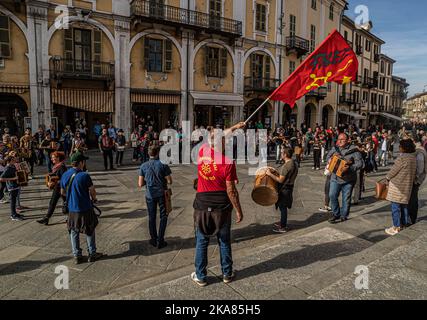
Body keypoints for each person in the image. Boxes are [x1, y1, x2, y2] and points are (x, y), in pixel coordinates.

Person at [191, 122, 245, 287]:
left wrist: (235, 127)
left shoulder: (202, 151)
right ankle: (227, 273)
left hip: (202, 205)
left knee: (202, 241)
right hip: (221, 207)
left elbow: (216, 137)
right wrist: (238, 210)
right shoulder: (227, 162)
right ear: (223, 142)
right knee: (223, 241)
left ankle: (200, 276)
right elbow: (231, 191)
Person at [60, 152, 103, 264]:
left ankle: (77, 255)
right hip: (85, 207)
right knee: (89, 229)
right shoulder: (84, 175)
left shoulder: (65, 174)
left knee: (73, 231)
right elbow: (92, 191)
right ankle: (92, 253)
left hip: (72, 209)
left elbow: (62, 192)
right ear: (80, 163)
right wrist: (94, 199)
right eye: (84, 161)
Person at [138, 146, 172, 249]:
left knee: (151, 217)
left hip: (150, 195)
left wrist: (148, 181)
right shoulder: (163, 164)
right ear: (157, 153)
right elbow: (170, 181)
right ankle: (160, 240)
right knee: (163, 216)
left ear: (149, 154)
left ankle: (153, 239)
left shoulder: (143, 166)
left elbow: (140, 183)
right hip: (162, 193)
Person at [326, 133, 363, 224]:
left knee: (346, 198)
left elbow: (360, 164)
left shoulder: (354, 150)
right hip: (335, 177)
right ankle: (336, 213)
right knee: (332, 195)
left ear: (348, 140)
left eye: (342, 139)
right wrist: (330, 159)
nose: (340, 141)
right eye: (339, 139)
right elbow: (327, 157)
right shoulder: (335, 148)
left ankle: (344, 215)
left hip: (348, 179)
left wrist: (350, 167)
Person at [384, 139, 417, 236]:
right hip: (407, 186)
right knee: (404, 206)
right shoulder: (413, 158)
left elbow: (393, 171)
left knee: (395, 207)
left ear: (403, 148)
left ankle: (396, 227)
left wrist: (387, 177)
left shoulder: (402, 158)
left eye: (400, 146)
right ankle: (403, 224)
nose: (399, 148)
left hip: (398, 186)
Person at [266, 147, 298, 233]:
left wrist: (269, 174)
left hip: (284, 189)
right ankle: (282, 222)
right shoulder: (294, 163)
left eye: (282, 153)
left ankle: (283, 226)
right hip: (289, 187)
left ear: (285, 155)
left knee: (283, 207)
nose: (281, 154)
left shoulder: (287, 166)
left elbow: (280, 180)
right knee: (282, 207)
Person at [37, 152, 68, 225]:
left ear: (58, 158)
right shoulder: (56, 166)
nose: (51, 159)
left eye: (53, 157)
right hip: (57, 188)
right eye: (52, 157)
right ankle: (46, 218)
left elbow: (65, 179)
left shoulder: (62, 167)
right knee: (53, 203)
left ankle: (69, 217)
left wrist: (54, 182)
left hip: (62, 188)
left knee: (66, 203)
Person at [408, 135, 426, 224]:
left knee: (413, 198)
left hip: (417, 179)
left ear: (413, 141)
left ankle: (412, 218)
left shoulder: (419, 151)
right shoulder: (419, 150)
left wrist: (415, 178)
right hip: (418, 178)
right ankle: (411, 217)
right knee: (413, 198)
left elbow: (420, 168)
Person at [0, 156, 25, 221]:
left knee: (14, 201)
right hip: (12, 187)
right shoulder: (8, 168)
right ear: (10, 160)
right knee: (12, 202)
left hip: (16, 186)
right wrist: (13, 178)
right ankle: (13, 215)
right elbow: (1, 178)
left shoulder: (12, 166)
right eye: (13, 159)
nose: (15, 160)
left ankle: (15, 213)